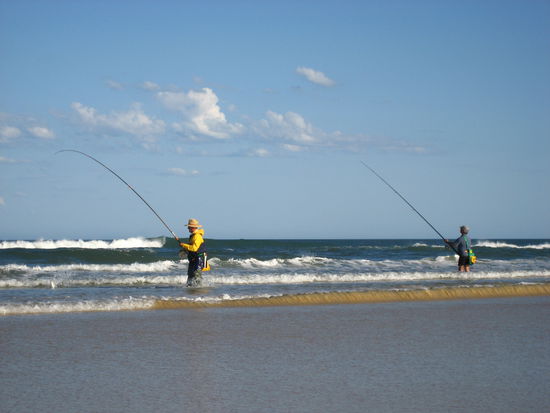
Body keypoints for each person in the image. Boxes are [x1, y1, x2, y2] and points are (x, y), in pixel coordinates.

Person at [178, 218, 207, 286]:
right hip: (194, 257)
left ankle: (199, 289)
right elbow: (191, 247)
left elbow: (194, 248)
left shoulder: (197, 236)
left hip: (200, 257)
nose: (188, 228)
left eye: (189, 227)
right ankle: (189, 288)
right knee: (190, 274)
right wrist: (184, 248)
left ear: (193, 227)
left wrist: (184, 245)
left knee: (197, 274)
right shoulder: (193, 236)